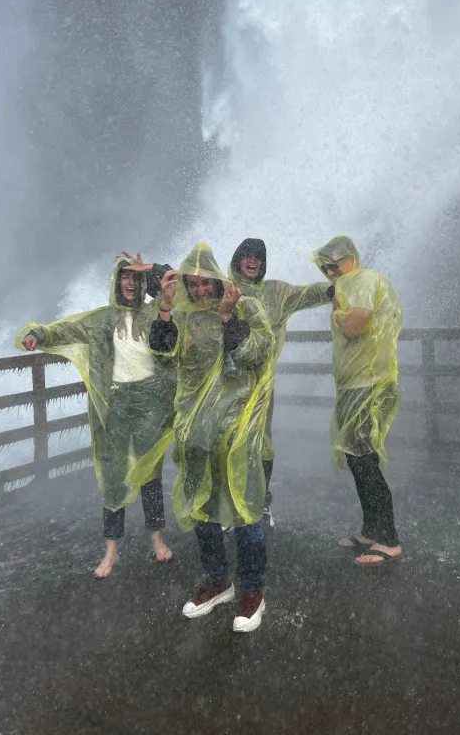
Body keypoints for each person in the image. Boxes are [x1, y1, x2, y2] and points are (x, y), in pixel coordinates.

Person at [16, 257, 176, 578]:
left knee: (150, 473)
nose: (130, 283)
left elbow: (178, 285)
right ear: (116, 282)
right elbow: (64, 329)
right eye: (124, 277)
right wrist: (37, 333)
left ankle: (157, 539)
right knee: (112, 473)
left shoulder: (154, 311)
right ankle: (111, 550)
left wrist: (154, 270)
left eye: (135, 278)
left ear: (142, 282)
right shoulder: (103, 319)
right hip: (115, 402)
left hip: (149, 400)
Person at [147, 243, 274, 633]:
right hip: (196, 430)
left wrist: (228, 317)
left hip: (238, 430)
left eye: (207, 284)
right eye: (193, 284)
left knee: (246, 509)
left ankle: (252, 592)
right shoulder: (179, 316)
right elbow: (162, 353)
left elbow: (258, 352)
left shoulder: (246, 305)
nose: (201, 291)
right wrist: (165, 306)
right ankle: (218, 581)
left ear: (219, 280)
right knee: (202, 508)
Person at [310, 235, 403, 567]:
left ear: (350, 258)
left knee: (364, 460)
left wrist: (337, 313)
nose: (331, 271)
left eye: (335, 264)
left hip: (367, 384)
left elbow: (354, 325)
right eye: (326, 266)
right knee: (356, 457)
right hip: (353, 386)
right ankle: (370, 529)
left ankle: (389, 540)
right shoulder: (348, 284)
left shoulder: (363, 279)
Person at [228, 238, 333, 527]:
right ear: (238, 259)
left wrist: (341, 284)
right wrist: (154, 274)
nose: (253, 261)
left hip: (261, 385)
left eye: (259, 257)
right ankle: (230, 505)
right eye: (247, 255)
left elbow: (309, 294)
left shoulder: (276, 292)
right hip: (227, 383)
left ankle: (261, 505)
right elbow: (189, 288)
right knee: (228, 442)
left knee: (261, 443)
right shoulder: (225, 289)